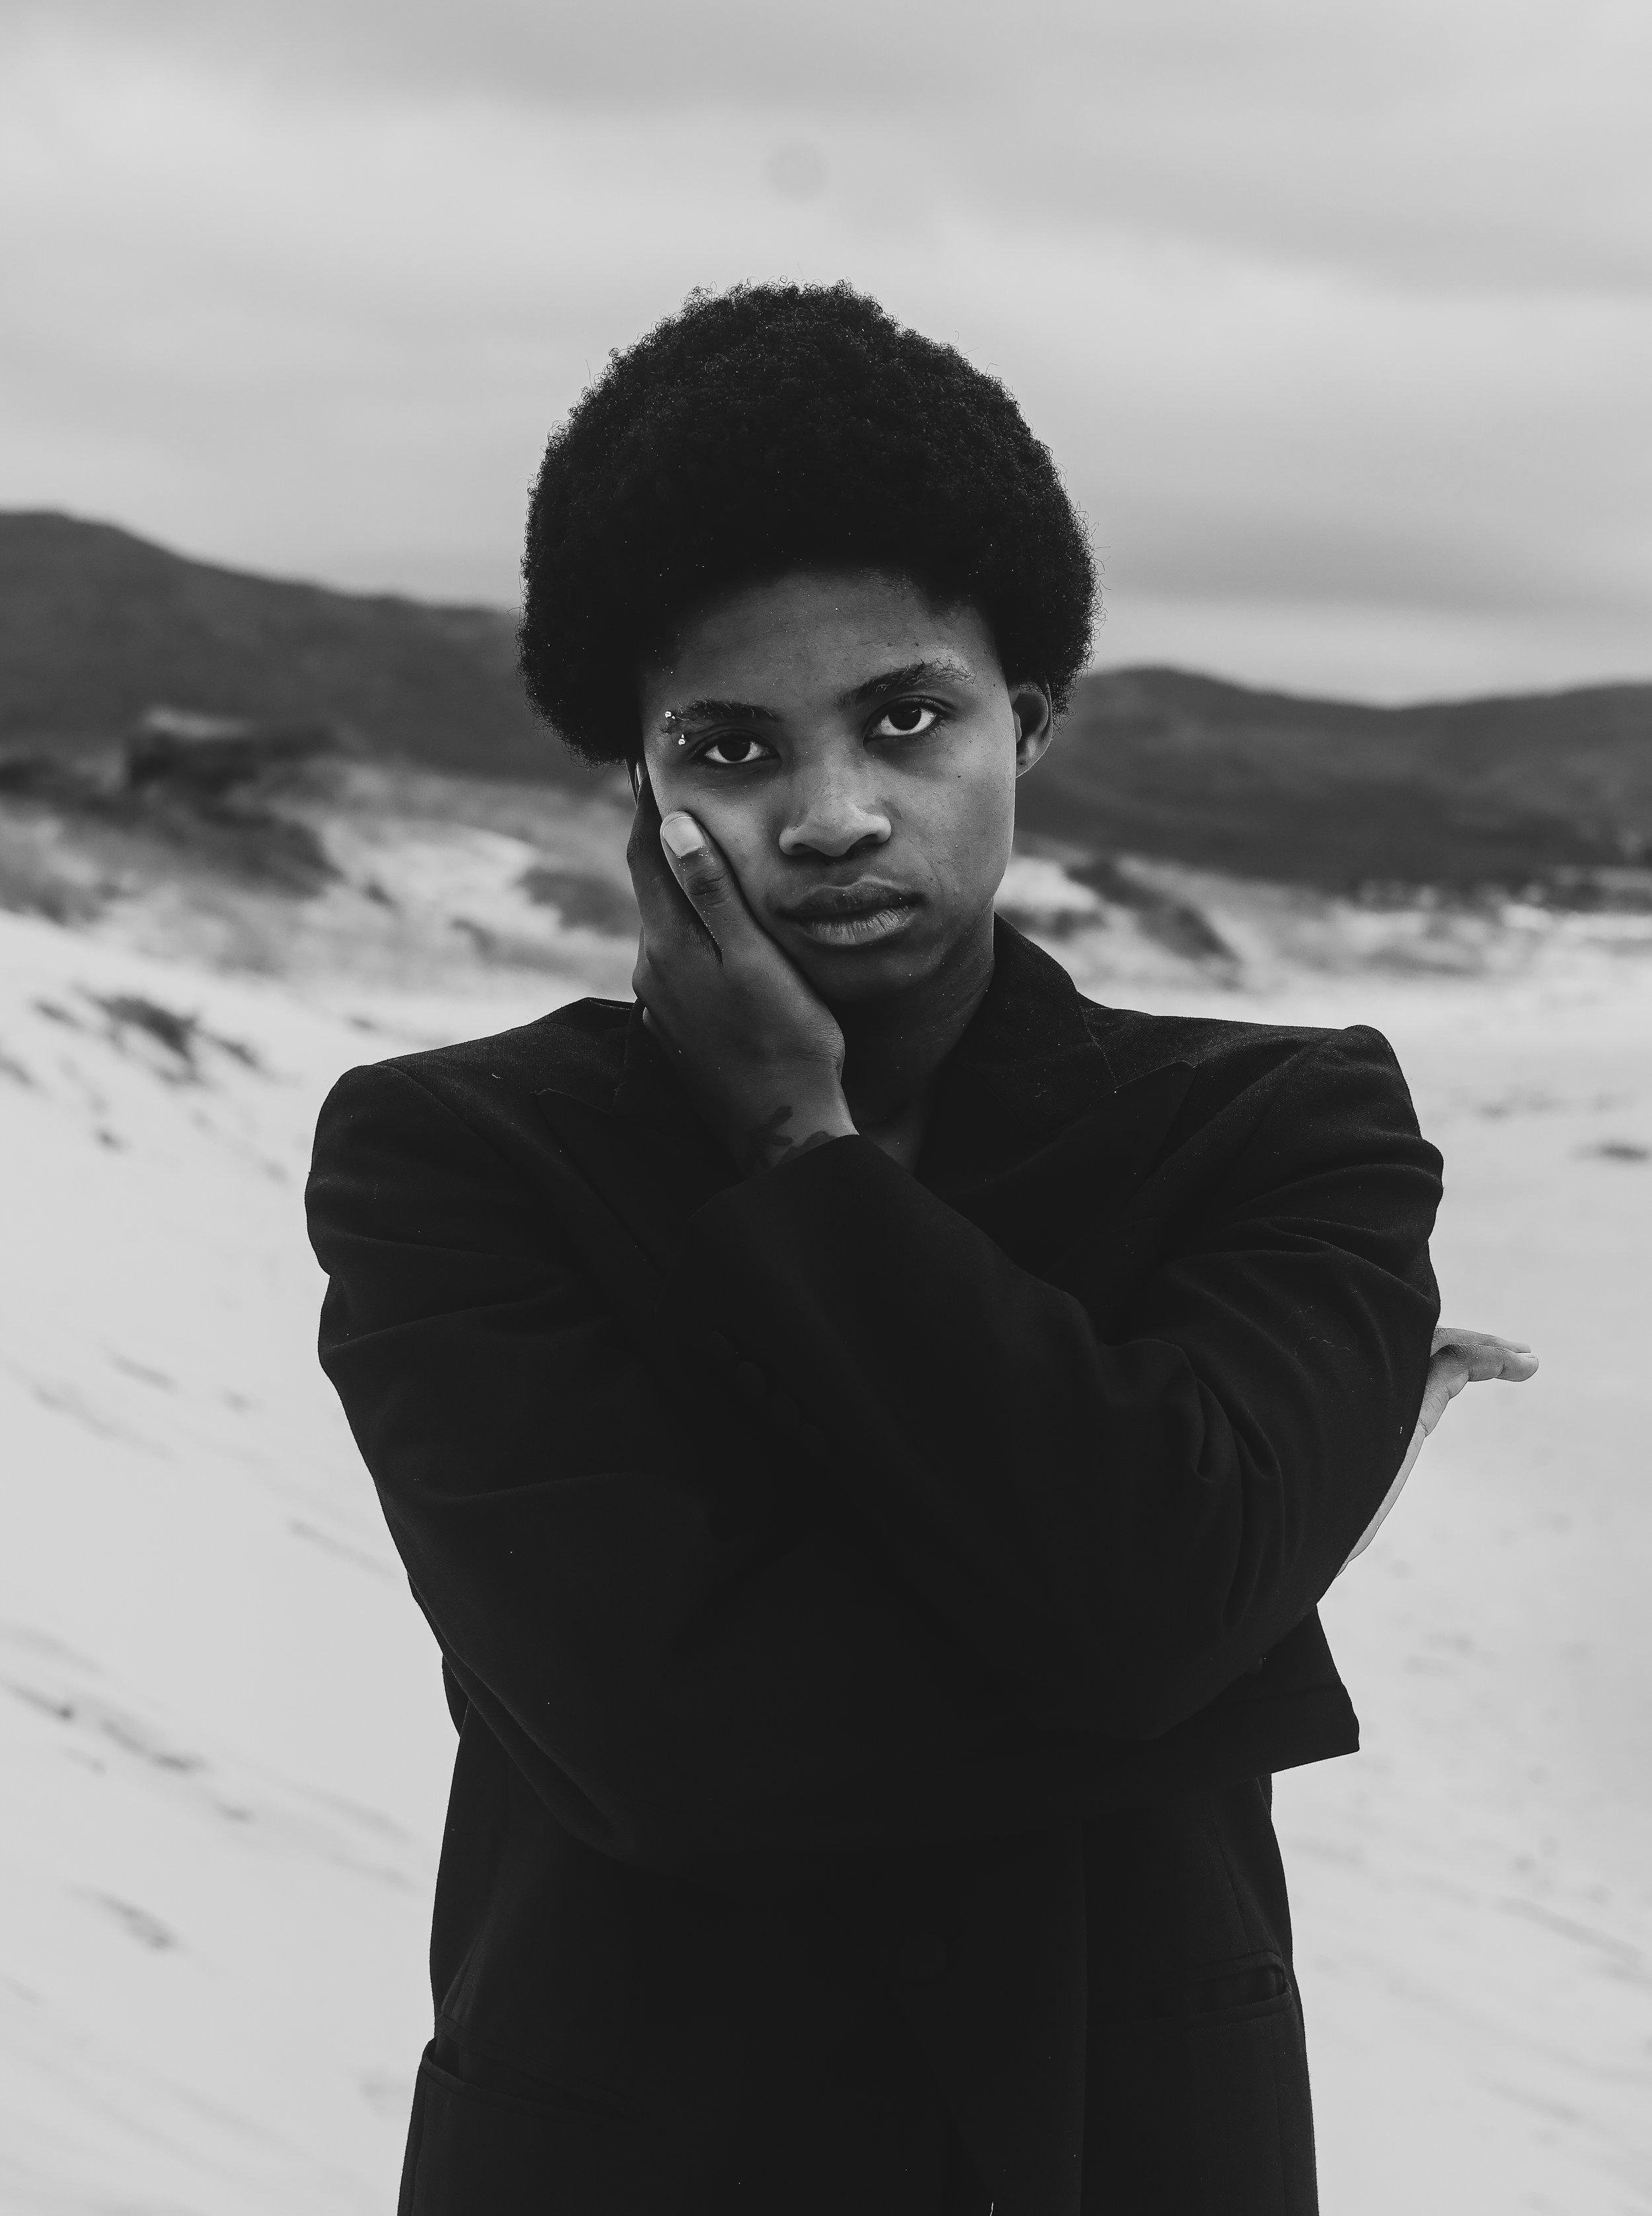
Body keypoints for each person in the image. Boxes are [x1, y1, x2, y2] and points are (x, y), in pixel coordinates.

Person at [306, 283, 1536, 2215]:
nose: (830, 814)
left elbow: (1143, 1596)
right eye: (727, 747)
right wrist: (1233, 1625)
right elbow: (682, 1762)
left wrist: (806, 1165)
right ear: (633, 785)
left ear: (1024, 719)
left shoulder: (1282, 1128)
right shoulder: (456, 1162)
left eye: (906, 717)